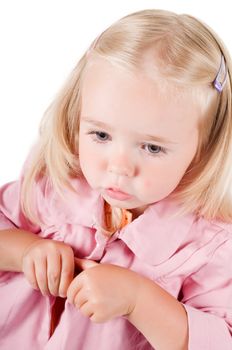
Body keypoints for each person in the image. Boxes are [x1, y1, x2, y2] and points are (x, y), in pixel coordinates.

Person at [0, 8, 232, 350]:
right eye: (101, 136)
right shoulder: (56, 185)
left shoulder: (208, 245)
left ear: (202, 150)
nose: (119, 167)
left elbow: (220, 340)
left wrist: (139, 301)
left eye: (152, 147)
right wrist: (27, 252)